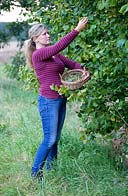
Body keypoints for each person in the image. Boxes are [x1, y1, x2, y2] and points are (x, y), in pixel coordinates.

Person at [24, 17, 88, 180]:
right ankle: (35, 174)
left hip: (60, 98)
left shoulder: (55, 55)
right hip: (48, 100)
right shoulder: (39, 54)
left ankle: (52, 170)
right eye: (44, 34)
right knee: (50, 138)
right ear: (36, 38)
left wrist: (83, 70)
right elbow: (60, 45)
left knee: (56, 138)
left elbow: (72, 64)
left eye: (48, 33)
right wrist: (77, 30)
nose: (48, 35)